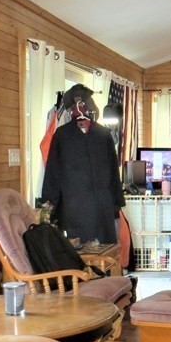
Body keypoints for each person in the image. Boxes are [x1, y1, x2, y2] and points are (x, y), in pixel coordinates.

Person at [41, 85, 124, 244]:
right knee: (81, 250)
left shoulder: (103, 135)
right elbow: (53, 173)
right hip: (77, 207)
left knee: (106, 250)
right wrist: (48, 206)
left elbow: (113, 171)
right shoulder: (62, 135)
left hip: (97, 205)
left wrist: (116, 203)